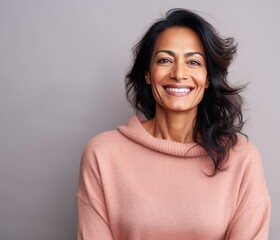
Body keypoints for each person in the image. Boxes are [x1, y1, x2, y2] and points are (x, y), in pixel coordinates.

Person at [77, 8, 270, 240]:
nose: (179, 73)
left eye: (193, 62)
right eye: (165, 60)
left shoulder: (241, 158)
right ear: (148, 73)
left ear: (208, 78)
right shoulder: (102, 154)